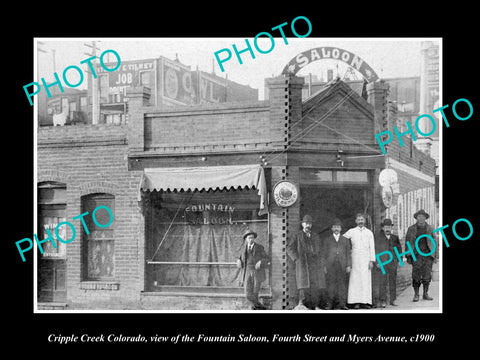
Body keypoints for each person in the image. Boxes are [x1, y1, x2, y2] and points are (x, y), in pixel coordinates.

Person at [287, 214, 326, 310]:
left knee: (314, 284)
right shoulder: (298, 235)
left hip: (314, 263)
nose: (308, 225)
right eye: (306, 223)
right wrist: (296, 259)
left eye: (309, 223)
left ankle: (314, 305)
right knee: (303, 284)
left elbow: (320, 250)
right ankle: (301, 304)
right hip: (302, 263)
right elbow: (289, 248)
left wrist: (320, 262)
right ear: (302, 224)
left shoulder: (315, 236)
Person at [343, 213, 375, 309]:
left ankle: (365, 302)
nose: (360, 221)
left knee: (365, 280)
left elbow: (372, 247)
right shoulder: (352, 231)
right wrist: (349, 250)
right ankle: (355, 302)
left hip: (366, 258)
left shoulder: (369, 233)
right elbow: (341, 239)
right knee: (355, 280)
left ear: (364, 221)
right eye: (359, 220)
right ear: (356, 221)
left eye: (362, 219)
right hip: (355, 258)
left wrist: (371, 260)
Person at [405, 209, 438, 302]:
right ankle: (416, 294)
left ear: (425, 218)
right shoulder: (411, 229)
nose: (421, 218)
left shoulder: (430, 228)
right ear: (416, 218)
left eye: (423, 216)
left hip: (428, 255)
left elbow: (435, 242)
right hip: (416, 255)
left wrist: (436, 256)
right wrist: (408, 255)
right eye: (419, 216)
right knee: (416, 276)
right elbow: (407, 242)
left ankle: (425, 294)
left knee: (427, 275)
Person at [237, 229, 270, 310]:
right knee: (248, 294)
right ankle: (261, 307)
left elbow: (267, 258)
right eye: (249, 238)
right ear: (246, 239)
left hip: (256, 272)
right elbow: (238, 256)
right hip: (247, 272)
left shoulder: (259, 247)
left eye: (252, 238)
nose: (251, 239)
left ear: (254, 238)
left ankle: (254, 309)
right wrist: (238, 259)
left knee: (255, 293)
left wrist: (261, 262)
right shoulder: (242, 248)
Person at [323, 218, 351, 310]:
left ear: (341, 229)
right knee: (331, 285)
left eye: (338, 227)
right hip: (330, 265)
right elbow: (324, 254)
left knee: (342, 285)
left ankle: (342, 304)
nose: (336, 229)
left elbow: (348, 254)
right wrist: (324, 266)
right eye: (334, 227)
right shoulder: (327, 240)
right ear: (331, 228)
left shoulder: (345, 240)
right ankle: (330, 304)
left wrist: (348, 265)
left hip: (342, 265)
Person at [373, 218, 402, 308]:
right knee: (383, 281)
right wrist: (377, 262)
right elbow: (375, 251)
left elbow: (399, 250)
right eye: (386, 227)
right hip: (382, 263)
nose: (388, 229)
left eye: (389, 227)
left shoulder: (395, 238)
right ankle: (383, 300)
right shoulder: (378, 238)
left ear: (391, 228)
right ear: (383, 228)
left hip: (392, 263)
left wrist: (399, 261)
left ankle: (393, 300)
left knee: (392, 281)